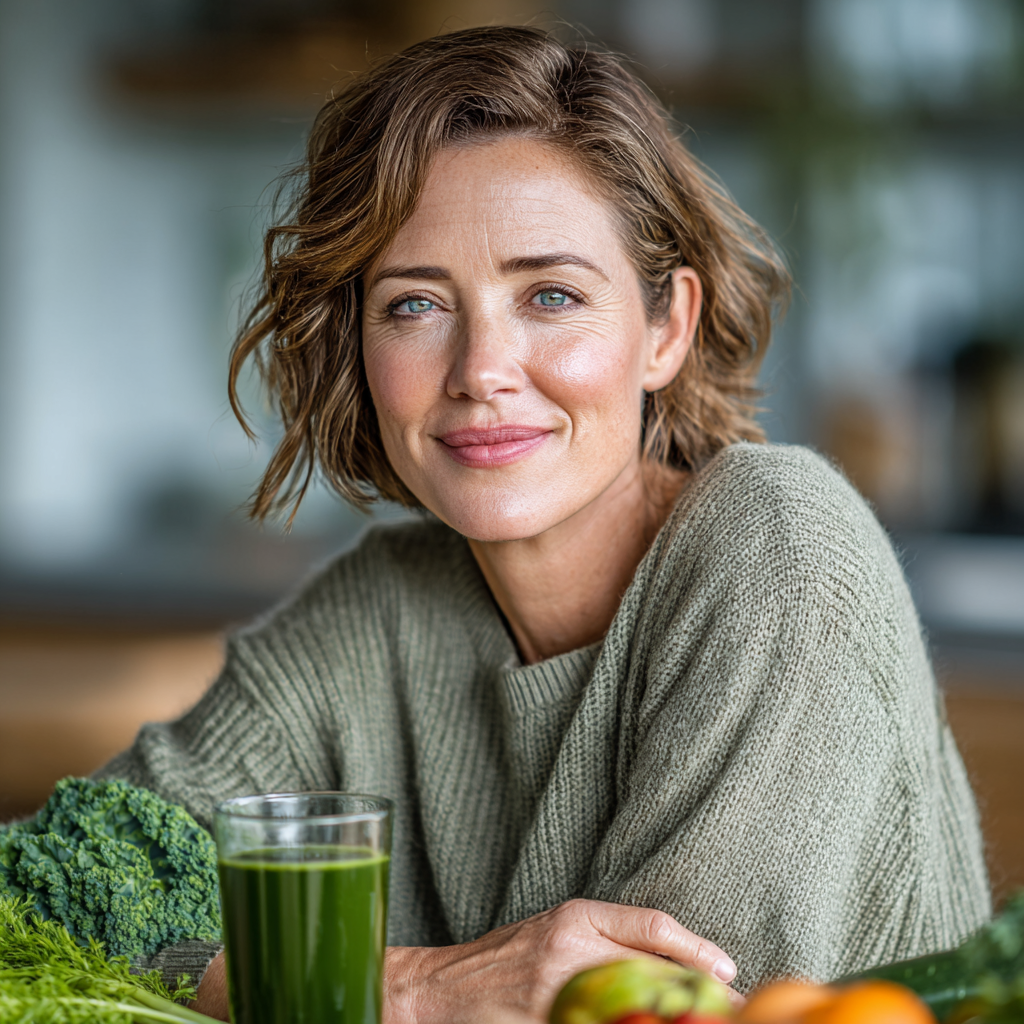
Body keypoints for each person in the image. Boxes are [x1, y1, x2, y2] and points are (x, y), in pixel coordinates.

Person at [97, 25, 990, 1024]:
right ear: (356, 340)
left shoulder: (780, 550)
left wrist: (281, 980)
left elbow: (638, 1012)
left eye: (550, 294)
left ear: (665, 327)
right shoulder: (372, 614)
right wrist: (411, 989)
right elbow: (49, 891)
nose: (481, 368)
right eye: (414, 305)